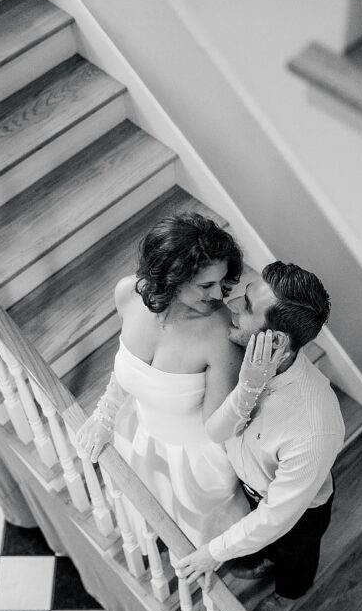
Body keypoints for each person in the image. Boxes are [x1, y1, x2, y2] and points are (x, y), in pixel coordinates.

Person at [176, 261, 345, 611]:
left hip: (299, 512)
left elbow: (277, 516)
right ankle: (262, 556)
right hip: (252, 485)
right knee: (263, 539)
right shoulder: (253, 364)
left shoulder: (315, 428)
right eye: (244, 293)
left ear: (278, 341)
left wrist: (212, 554)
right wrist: (247, 388)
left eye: (247, 306)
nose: (231, 304)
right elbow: (217, 432)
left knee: (296, 556)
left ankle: (291, 594)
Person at [75, 213, 250, 547]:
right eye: (206, 285)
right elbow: (125, 367)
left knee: (196, 532)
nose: (218, 294)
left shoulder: (221, 334)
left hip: (195, 462)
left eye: (222, 282)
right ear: (173, 275)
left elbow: (220, 425)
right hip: (139, 432)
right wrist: (104, 414)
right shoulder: (128, 293)